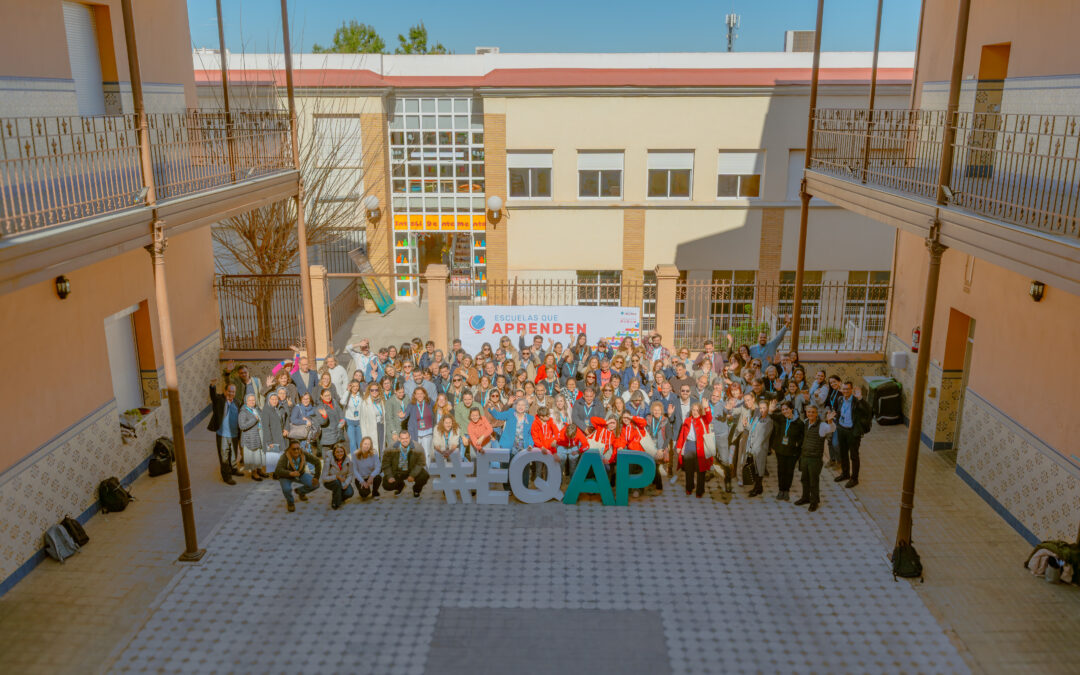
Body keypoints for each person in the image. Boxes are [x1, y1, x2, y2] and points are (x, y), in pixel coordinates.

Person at [795, 406, 834, 512]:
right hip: (805, 456)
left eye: (812, 412)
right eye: (808, 412)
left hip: (815, 459)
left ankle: (814, 502)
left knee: (813, 481)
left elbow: (831, 429)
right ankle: (805, 497)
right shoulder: (806, 422)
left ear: (817, 413)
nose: (810, 414)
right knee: (804, 479)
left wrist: (830, 421)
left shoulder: (821, 425)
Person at [834, 381, 871, 488]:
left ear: (851, 390)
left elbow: (867, 411)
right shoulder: (840, 399)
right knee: (843, 453)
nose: (845, 391)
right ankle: (845, 474)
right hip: (841, 429)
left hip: (852, 431)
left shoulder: (856, 401)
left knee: (854, 456)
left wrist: (860, 399)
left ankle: (854, 479)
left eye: (847, 389)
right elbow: (838, 411)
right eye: (843, 389)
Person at [769, 400, 805, 501]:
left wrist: (798, 444)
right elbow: (771, 415)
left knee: (789, 471)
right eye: (783, 410)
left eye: (786, 409)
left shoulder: (799, 423)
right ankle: (781, 490)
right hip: (781, 450)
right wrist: (771, 410)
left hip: (792, 452)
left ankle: (786, 491)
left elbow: (803, 436)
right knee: (781, 470)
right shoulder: (781, 418)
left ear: (791, 409)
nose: (785, 411)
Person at [675, 402, 713, 498]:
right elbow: (682, 434)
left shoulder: (704, 420)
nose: (695, 412)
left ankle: (700, 490)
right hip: (689, 445)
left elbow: (709, 418)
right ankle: (689, 487)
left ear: (700, 411)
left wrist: (707, 407)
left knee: (701, 470)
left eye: (697, 410)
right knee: (689, 470)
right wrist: (679, 446)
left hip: (701, 447)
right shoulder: (687, 420)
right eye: (693, 410)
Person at [208, 381, 242, 485]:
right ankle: (227, 476)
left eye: (233, 391)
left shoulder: (236, 402)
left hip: (234, 434)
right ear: (225, 391)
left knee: (233, 454)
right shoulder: (219, 400)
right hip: (222, 434)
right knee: (224, 457)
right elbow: (213, 396)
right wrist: (212, 386)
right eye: (229, 391)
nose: (231, 393)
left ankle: (233, 469)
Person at [272, 440, 321, 512]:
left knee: (315, 484)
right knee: (287, 489)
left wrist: (316, 477)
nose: (296, 451)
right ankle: (290, 503)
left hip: (300, 474)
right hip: (286, 476)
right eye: (294, 449)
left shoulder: (303, 453)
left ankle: (301, 491)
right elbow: (277, 470)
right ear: (289, 449)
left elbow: (317, 461)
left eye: (298, 448)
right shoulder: (284, 456)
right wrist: (290, 473)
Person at [382, 430, 429, 498]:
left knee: (424, 476)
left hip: (411, 470)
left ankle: (416, 490)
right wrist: (390, 476)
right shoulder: (390, 448)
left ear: (410, 437)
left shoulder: (418, 447)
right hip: (398, 472)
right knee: (386, 485)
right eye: (402, 438)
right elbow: (385, 463)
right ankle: (400, 486)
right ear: (399, 439)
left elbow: (421, 463)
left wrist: (413, 475)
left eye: (406, 438)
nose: (405, 440)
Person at [744, 399, 774, 498]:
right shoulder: (757, 417)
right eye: (760, 408)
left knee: (759, 469)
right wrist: (746, 426)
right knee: (755, 468)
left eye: (764, 408)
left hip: (760, 449)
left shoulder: (768, 421)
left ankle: (757, 488)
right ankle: (758, 488)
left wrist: (753, 450)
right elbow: (752, 430)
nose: (762, 410)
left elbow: (762, 438)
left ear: (768, 408)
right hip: (752, 447)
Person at [400, 387, 435, 464]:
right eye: (417, 394)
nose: (419, 395)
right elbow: (405, 415)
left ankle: (426, 472)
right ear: (414, 395)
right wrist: (401, 417)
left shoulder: (429, 402)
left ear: (424, 394)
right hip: (416, 433)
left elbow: (439, 405)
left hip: (427, 433)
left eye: (421, 393)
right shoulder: (411, 405)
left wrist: (448, 405)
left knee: (427, 454)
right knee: (416, 454)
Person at [238, 393, 268, 481]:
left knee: (260, 455)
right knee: (253, 456)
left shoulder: (257, 409)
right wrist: (254, 419)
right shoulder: (243, 412)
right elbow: (242, 426)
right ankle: (254, 473)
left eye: (253, 400)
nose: (252, 402)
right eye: (250, 400)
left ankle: (259, 470)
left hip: (259, 435)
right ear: (246, 401)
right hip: (250, 437)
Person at [316, 387, 346, 463]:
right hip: (327, 438)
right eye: (326, 396)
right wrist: (325, 416)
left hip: (337, 434)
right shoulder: (319, 407)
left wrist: (342, 421)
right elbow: (322, 422)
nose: (328, 397)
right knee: (327, 460)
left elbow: (341, 413)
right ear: (321, 396)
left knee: (338, 459)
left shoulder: (334, 402)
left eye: (329, 395)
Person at [262, 391, 288, 475]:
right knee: (273, 456)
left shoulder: (278, 408)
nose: (274, 401)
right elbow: (266, 427)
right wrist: (269, 441)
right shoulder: (266, 410)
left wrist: (285, 429)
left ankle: (279, 472)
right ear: (268, 400)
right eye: (272, 399)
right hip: (272, 437)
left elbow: (284, 420)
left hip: (279, 435)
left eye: (276, 399)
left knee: (279, 455)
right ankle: (275, 474)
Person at [322, 443, 354, 509]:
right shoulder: (328, 460)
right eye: (337, 452)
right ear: (334, 453)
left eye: (341, 451)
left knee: (349, 493)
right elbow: (324, 477)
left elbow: (350, 474)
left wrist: (346, 483)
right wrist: (336, 477)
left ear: (344, 452)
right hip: (330, 481)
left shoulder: (348, 460)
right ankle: (335, 502)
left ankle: (339, 496)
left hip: (342, 481)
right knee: (337, 483)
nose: (340, 454)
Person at [342, 380, 365, 453]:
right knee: (352, 442)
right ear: (350, 386)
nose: (355, 388)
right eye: (353, 386)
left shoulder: (361, 395)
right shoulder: (348, 395)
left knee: (360, 441)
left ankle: (361, 458)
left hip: (359, 422)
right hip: (350, 422)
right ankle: (354, 460)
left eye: (357, 386)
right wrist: (347, 391)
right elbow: (342, 402)